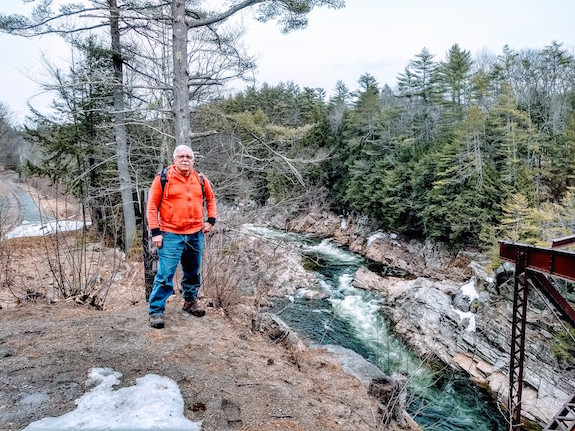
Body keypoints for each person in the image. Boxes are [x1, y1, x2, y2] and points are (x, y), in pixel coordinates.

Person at [146, 144, 217, 329]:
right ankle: (155, 311)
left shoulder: (200, 179)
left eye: (188, 157)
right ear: (174, 159)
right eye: (181, 156)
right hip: (170, 234)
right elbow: (152, 206)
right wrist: (155, 232)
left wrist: (210, 220)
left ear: (193, 160)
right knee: (165, 274)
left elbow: (210, 199)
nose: (185, 159)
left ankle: (190, 302)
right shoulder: (163, 178)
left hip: (195, 234)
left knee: (193, 271)